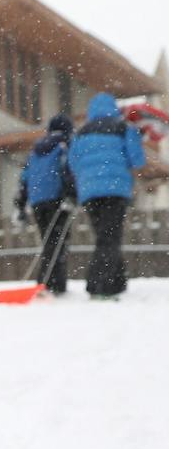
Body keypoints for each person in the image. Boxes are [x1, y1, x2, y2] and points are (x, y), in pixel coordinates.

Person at [69, 92, 146, 299]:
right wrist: (137, 137)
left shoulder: (80, 132)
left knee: (105, 237)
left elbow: (73, 163)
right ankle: (99, 286)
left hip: (90, 193)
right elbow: (137, 160)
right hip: (115, 189)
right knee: (110, 238)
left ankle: (116, 283)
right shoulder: (123, 129)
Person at [16, 113, 76, 295]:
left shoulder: (35, 150)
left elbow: (25, 178)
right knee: (58, 243)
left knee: (48, 242)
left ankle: (48, 282)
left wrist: (21, 204)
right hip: (57, 199)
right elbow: (67, 169)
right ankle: (52, 285)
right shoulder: (64, 145)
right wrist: (71, 194)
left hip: (37, 202)